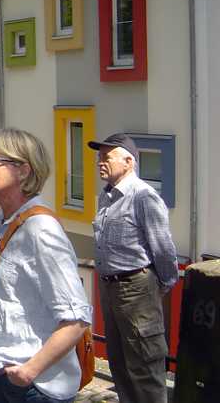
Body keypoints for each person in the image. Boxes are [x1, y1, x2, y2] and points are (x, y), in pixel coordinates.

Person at [0, 128, 91, 403]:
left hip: (36, 386)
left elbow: (77, 318)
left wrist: (28, 372)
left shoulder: (41, 229)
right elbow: (22, 295)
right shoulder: (3, 220)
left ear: (23, 171)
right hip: (5, 372)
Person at [88, 133, 178, 403]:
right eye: (98, 157)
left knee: (144, 367)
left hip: (136, 288)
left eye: (106, 157)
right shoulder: (106, 196)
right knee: (119, 364)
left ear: (128, 161)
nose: (99, 162)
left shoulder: (143, 197)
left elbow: (163, 250)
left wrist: (154, 287)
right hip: (109, 286)